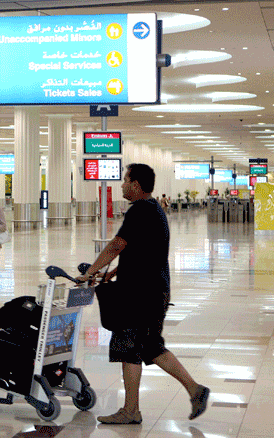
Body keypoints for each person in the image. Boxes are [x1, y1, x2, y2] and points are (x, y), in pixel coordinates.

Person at [77, 163, 209, 424]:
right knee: (150, 346)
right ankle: (195, 390)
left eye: (125, 180)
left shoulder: (139, 210)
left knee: (130, 348)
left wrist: (90, 271)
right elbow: (141, 251)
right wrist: (114, 272)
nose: (122, 185)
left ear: (136, 184)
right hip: (153, 290)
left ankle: (131, 410)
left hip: (140, 295)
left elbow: (117, 245)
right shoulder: (154, 210)